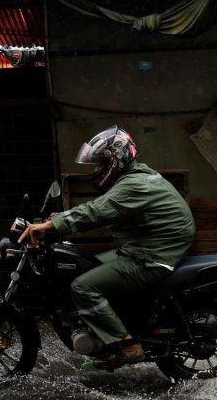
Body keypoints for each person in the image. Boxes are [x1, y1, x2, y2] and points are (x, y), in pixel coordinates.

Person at [19, 126, 196, 370]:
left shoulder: (133, 185)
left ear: (116, 159)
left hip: (151, 256)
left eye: (100, 164)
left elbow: (97, 211)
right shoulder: (136, 176)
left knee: (82, 286)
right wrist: (55, 220)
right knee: (86, 267)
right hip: (144, 247)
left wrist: (54, 225)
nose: (97, 170)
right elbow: (102, 207)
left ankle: (127, 345)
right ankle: (113, 324)